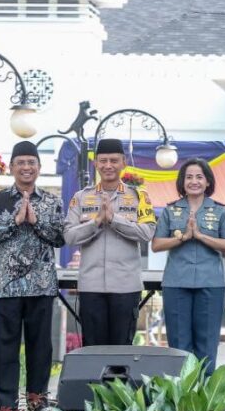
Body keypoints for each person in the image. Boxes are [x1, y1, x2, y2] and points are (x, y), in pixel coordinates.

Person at [0, 141, 65, 411]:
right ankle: (6, 408)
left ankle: (37, 407)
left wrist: (36, 221)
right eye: (21, 163)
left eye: (31, 163)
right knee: (5, 351)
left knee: (41, 351)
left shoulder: (52, 201)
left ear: (39, 167)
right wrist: (14, 222)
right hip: (6, 287)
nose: (26, 167)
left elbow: (61, 238)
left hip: (41, 286)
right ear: (12, 167)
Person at [64, 138, 156, 346]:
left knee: (121, 350)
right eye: (103, 161)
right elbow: (68, 236)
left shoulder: (138, 196)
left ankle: (119, 381)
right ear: (95, 164)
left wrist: (114, 220)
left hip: (126, 287)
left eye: (114, 160)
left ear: (123, 162)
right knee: (93, 350)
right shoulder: (80, 197)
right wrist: (96, 222)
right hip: (91, 287)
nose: (108, 166)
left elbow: (147, 233)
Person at [152, 158, 225, 372]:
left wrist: (200, 236)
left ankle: (204, 400)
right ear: (182, 182)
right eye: (189, 177)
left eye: (199, 177)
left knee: (206, 344)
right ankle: (180, 399)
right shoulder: (170, 211)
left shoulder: (220, 211)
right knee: (179, 345)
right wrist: (183, 237)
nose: (194, 181)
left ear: (208, 182)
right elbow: (156, 244)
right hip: (177, 282)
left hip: (211, 283)